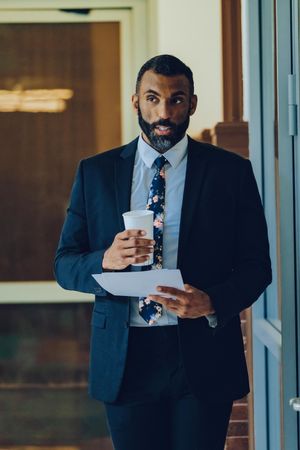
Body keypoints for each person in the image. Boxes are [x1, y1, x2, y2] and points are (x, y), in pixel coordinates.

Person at [54, 54, 272, 450]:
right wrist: (106, 259)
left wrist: (211, 302)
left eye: (176, 99)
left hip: (202, 356)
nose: (164, 112)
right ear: (136, 102)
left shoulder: (230, 172)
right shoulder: (96, 172)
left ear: (192, 103)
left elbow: (257, 266)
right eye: (153, 98)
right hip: (125, 357)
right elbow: (65, 264)